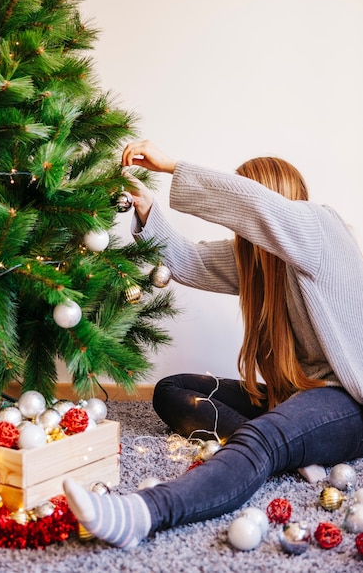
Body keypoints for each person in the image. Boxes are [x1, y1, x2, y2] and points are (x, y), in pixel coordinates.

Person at [63, 140, 363, 549]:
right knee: (172, 390)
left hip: (347, 403)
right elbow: (191, 261)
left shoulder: (320, 230)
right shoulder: (258, 260)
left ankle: (143, 513)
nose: (236, 224)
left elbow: (255, 206)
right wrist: (149, 208)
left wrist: (173, 167)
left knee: (262, 440)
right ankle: (284, 448)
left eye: (243, 210)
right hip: (295, 396)